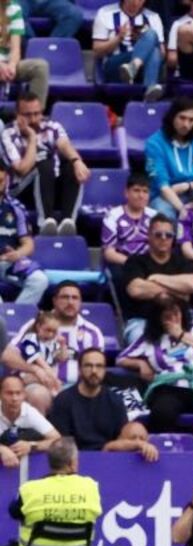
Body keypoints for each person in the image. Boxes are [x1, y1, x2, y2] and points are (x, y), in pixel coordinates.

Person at [0, 437, 98, 546]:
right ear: (72, 463)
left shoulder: (31, 489)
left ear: (50, 462)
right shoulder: (90, 487)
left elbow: (14, 512)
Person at [116, 296, 193, 432]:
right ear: (159, 319)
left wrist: (181, 335)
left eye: (176, 314)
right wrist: (140, 363)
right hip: (170, 388)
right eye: (167, 316)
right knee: (162, 412)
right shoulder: (150, 338)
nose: (173, 319)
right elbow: (121, 358)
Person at [0, 92, 90, 236]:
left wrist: (77, 161)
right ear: (18, 115)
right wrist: (32, 138)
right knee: (44, 164)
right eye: (28, 115)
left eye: (37, 113)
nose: (34, 119)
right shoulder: (8, 134)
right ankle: (46, 222)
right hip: (22, 190)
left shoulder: (51, 126)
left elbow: (64, 144)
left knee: (70, 165)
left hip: (50, 186)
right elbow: (21, 169)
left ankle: (68, 222)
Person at [46, 349, 156, 458]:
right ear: (79, 369)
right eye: (88, 366)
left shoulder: (115, 401)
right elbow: (60, 443)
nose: (94, 371)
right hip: (73, 459)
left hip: (108, 458)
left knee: (136, 428)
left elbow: (121, 438)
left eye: (99, 366)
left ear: (104, 370)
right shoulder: (63, 400)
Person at [116, 213, 193, 342]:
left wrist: (156, 278)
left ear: (173, 239)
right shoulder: (135, 262)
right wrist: (179, 291)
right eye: (158, 234)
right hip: (143, 321)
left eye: (168, 235)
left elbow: (191, 285)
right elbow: (136, 290)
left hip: (182, 320)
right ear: (149, 236)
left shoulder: (183, 262)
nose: (163, 238)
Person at [14, 283, 103, 388]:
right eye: (65, 297)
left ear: (80, 302)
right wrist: (34, 371)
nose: (70, 302)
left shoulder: (92, 332)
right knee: (38, 394)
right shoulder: (35, 325)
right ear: (54, 301)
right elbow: (12, 354)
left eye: (75, 298)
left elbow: (96, 366)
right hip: (39, 383)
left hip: (78, 389)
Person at [144, 97, 193, 221]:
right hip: (166, 195)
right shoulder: (154, 143)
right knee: (164, 213)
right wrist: (183, 210)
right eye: (182, 118)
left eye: (191, 120)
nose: (186, 125)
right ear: (172, 117)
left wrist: (188, 185)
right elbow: (163, 187)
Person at [93, 0, 166, 101]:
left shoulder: (153, 17)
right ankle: (149, 86)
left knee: (152, 42)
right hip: (116, 64)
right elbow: (97, 51)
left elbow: (162, 53)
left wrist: (144, 43)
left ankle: (134, 68)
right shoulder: (105, 13)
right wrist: (118, 38)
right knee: (152, 36)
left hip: (145, 67)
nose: (135, 2)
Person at [0, 167, 48, 304]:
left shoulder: (16, 208)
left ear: (7, 181)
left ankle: (18, 318)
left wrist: (18, 253)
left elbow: (28, 243)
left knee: (40, 280)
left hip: (9, 263)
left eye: (1, 181)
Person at [102, 173, 155, 283]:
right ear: (126, 193)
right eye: (136, 190)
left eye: (145, 191)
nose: (141, 195)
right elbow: (109, 253)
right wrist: (133, 263)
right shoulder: (112, 215)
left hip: (149, 264)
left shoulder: (155, 216)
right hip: (122, 263)